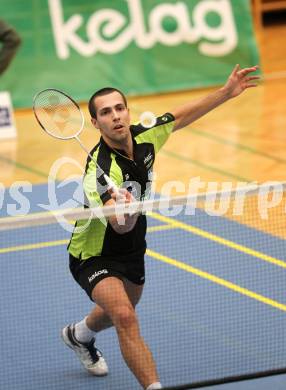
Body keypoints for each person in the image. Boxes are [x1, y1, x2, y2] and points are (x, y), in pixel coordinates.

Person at [61, 64, 260, 390]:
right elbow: (119, 226)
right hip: (93, 253)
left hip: (133, 247)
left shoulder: (144, 135)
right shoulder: (98, 172)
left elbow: (178, 116)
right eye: (107, 112)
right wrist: (124, 210)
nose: (116, 116)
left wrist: (226, 93)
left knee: (119, 311)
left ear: (128, 111)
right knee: (125, 316)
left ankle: (78, 334)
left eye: (120, 108)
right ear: (95, 123)